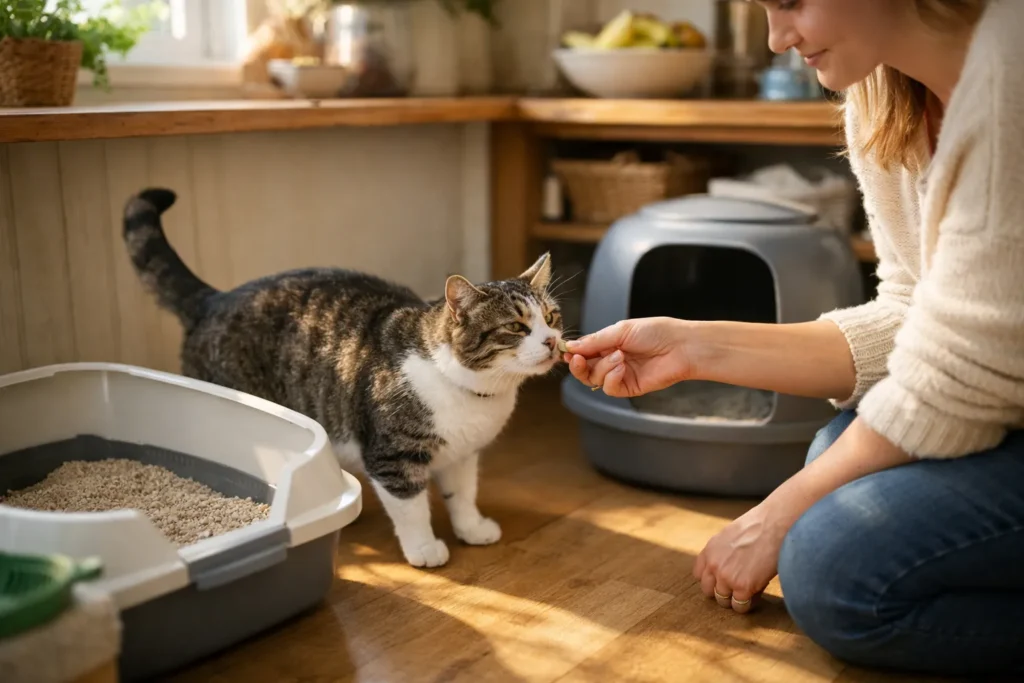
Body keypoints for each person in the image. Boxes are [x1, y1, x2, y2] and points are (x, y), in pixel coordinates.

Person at [564, 0, 1024, 677]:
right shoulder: (882, 92)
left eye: (789, 2)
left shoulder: (1011, 61)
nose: (779, 39)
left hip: (992, 392)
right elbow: (914, 309)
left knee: (830, 566)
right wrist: (697, 348)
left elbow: (968, 371)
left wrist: (778, 512)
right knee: (833, 448)